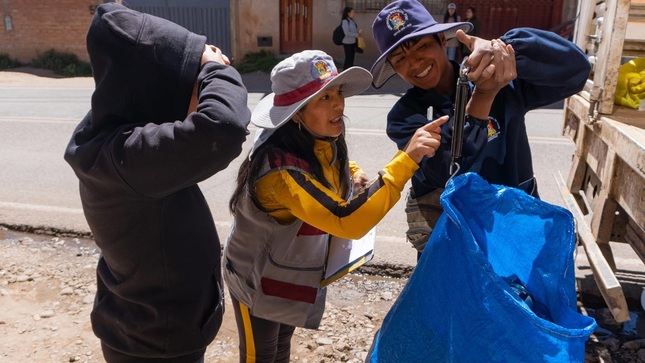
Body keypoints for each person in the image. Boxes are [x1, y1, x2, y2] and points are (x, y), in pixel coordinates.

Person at [223, 50, 448, 363]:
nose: (339, 104)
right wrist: (406, 161)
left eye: (338, 92)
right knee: (259, 355)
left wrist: (352, 172)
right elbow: (346, 221)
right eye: (324, 98)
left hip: (286, 275)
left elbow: (326, 163)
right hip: (254, 279)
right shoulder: (279, 172)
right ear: (296, 113)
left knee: (281, 344)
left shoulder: (316, 136)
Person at [63, 3, 251, 362]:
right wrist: (212, 67)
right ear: (161, 91)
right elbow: (223, 127)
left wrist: (194, 64)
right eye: (192, 85)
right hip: (157, 342)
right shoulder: (127, 157)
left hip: (145, 325)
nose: (198, 95)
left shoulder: (112, 134)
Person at [370, 0, 591, 256]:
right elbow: (447, 170)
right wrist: (483, 96)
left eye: (422, 46)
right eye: (400, 59)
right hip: (451, 244)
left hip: (515, 229)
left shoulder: (500, 77)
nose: (416, 63)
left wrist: (503, 48)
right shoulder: (405, 116)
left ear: (442, 39)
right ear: (393, 67)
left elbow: (576, 71)